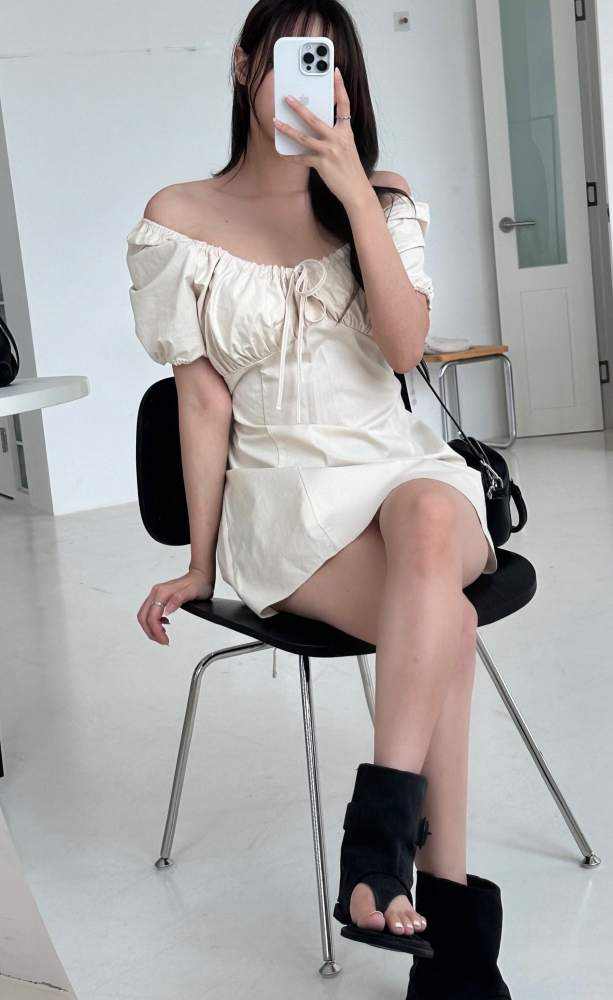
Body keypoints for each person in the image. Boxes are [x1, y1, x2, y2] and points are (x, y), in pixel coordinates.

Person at [128, 2, 510, 996]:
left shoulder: (379, 198)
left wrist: (350, 188)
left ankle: (378, 847)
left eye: (330, 62)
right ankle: (455, 940)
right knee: (448, 623)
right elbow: (203, 403)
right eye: (294, 56)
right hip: (288, 504)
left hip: (405, 472)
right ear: (244, 66)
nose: (310, 77)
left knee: (429, 515)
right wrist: (201, 564)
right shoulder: (179, 220)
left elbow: (403, 350)